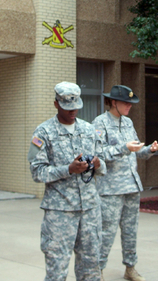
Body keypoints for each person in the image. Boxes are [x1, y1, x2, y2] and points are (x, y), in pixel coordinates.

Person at [28, 81, 106, 281]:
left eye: (76, 107)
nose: (73, 112)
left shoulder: (89, 130)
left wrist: (97, 165)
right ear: (56, 104)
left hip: (89, 210)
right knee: (57, 269)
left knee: (91, 268)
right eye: (67, 107)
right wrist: (68, 170)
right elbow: (37, 172)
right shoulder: (43, 132)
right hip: (60, 212)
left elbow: (103, 162)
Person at [92, 85, 158, 281]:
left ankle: (130, 268)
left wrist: (150, 149)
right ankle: (96, 271)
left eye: (131, 103)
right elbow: (98, 155)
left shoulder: (128, 122)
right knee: (106, 232)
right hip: (110, 189)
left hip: (131, 186)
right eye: (126, 102)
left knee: (131, 230)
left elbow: (136, 150)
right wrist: (123, 148)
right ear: (113, 102)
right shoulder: (99, 123)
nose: (129, 106)